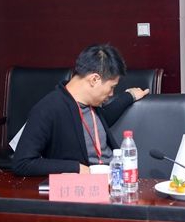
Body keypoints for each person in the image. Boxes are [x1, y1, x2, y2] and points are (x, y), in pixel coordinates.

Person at [12, 44, 147, 176]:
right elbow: (22, 163)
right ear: (94, 79)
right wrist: (75, 168)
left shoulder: (92, 105)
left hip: (115, 177)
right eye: (112, 87)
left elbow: (104, 118)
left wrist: (130, 96)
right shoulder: (48, 108)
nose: (112, 93)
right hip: (86, 184)